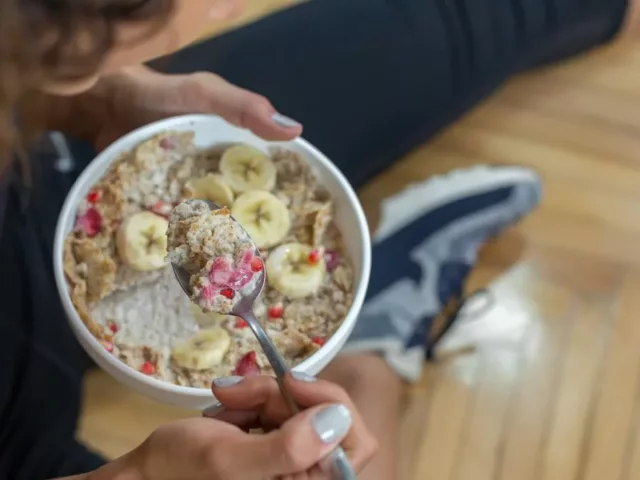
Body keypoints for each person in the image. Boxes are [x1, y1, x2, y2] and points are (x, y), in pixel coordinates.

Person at [0, 0, 634, 479]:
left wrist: (86, 92)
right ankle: (374, 353)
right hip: (20, 435)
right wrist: (136, 475)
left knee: (462, 22)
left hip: (35, 183)